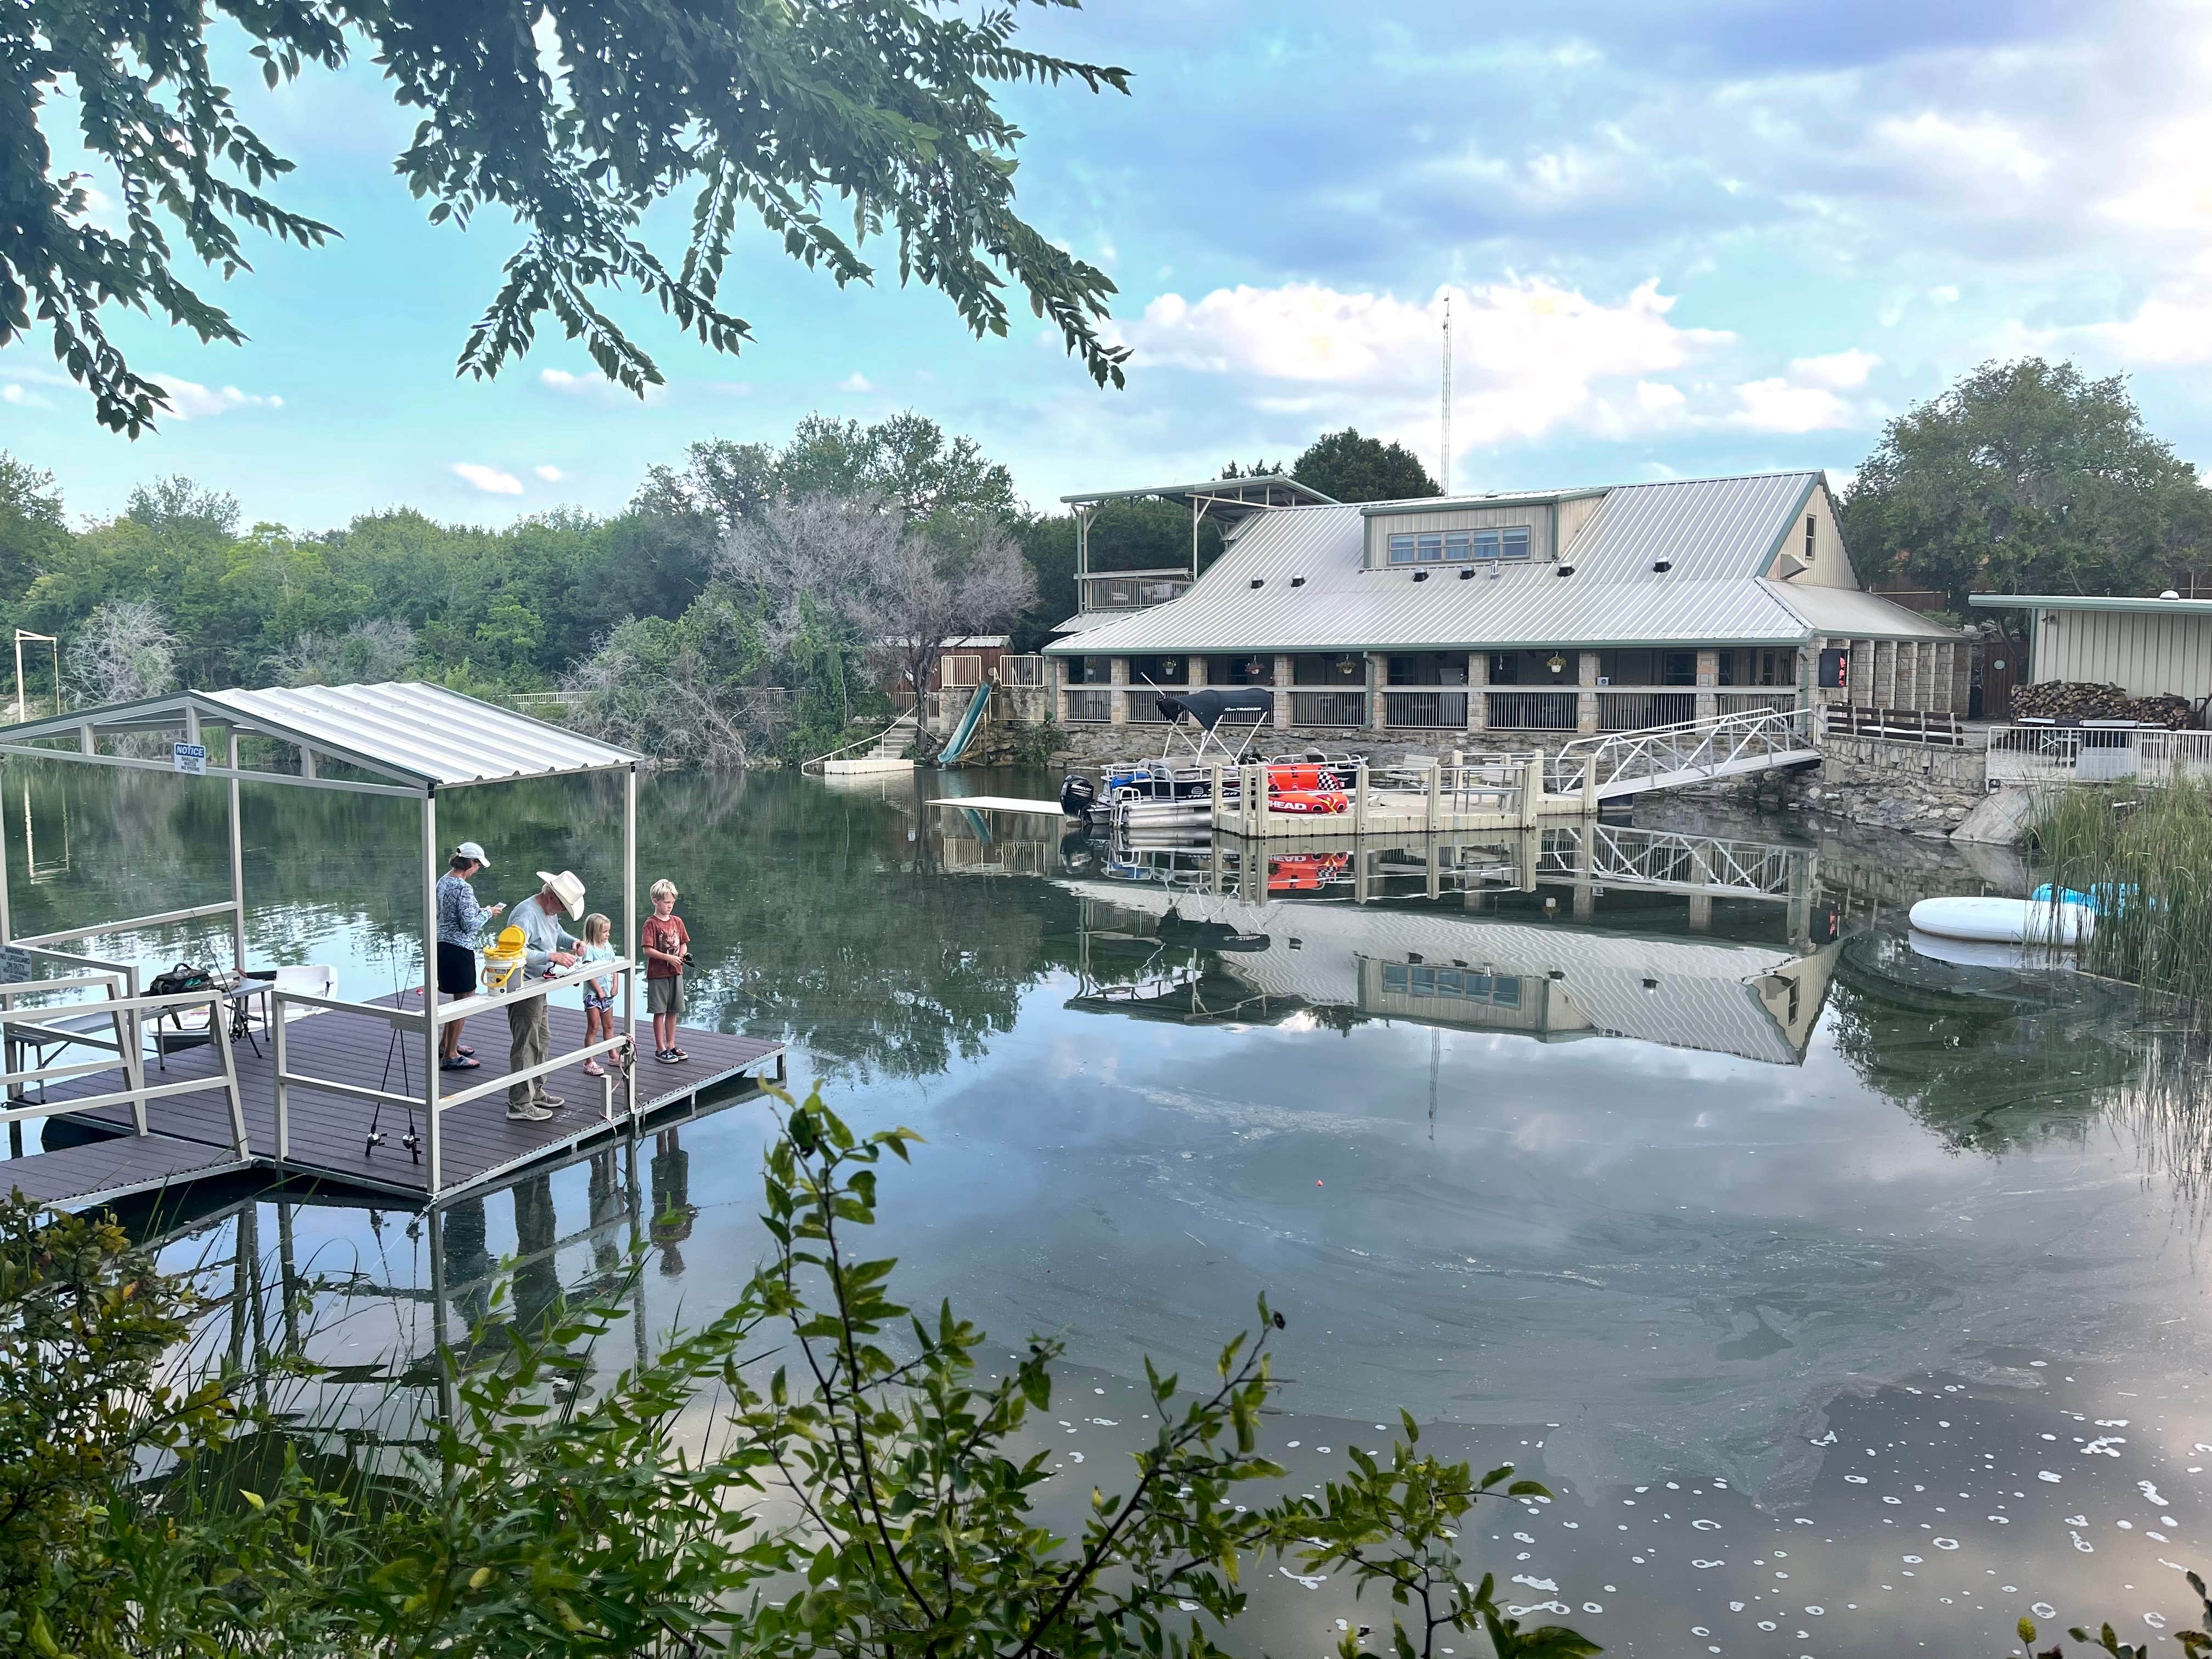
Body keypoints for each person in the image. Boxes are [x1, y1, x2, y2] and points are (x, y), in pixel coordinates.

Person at [505, 869, 584, 1122]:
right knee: (526, 1043)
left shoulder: (549, 912)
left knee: (542, 1039)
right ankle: (519, 1103)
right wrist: (553, 957)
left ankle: (536, 1091)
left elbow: (556, 932)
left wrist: (572, 943)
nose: (562, 912)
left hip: (540, 985)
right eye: (562, 907)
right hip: (524, 986)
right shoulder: (526, 915)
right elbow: (515, 952)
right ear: (551, 897)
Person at [435, 841, 504, 1070]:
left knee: (457, 1001)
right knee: (465, 999)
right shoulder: (464, 888)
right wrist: (488, 913)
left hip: (443, 946)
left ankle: (446, 1045)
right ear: (471, 863)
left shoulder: (443, 881)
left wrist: (479, 911)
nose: (478, 870)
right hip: (460, 949)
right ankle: (451, 1056)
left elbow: (450, 914)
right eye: (478, 865)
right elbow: (469, 926)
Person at [641, 877, 690, 1064]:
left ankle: (671, 1045)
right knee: (659, 1011)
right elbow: (647, 950)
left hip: (676, 973)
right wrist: (668, 958)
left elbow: (684, 943)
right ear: (656, 901)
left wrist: (682, 956)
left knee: (673, 1010)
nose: (670, 906)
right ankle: (660, 1048)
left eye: (672, 902)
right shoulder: (651, 924)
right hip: (658, 974)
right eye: (667, 902)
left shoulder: (677, 921)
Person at [577, 912, 617, 1077]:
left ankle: (613, 1055)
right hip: (593, 996)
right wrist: (598, 990)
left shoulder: (608, 947)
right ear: (594, 932)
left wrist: (615, 985)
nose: (608, 935)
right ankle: (589, 1061)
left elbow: (614, 965)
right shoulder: (589, 950)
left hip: (607, 995)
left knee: (609, 1025)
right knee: (593, 1027)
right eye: (605, 932)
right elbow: (588, 972)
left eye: (608, 931)